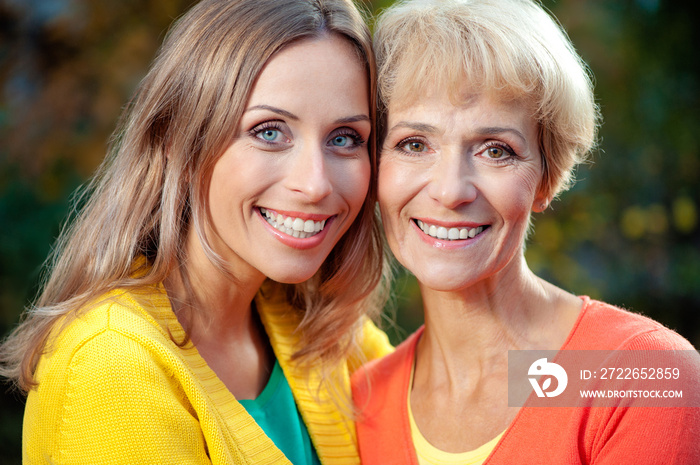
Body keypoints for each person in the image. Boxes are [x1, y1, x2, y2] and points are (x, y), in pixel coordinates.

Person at [0, 0, 393, 463]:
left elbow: (481, 397)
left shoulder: (311, 325)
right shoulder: (110, 364)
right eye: (269, 132)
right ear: (176, 140)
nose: (314, 184)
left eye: (345, 138)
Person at [352, 0, 700, 464]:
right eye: (414, 144)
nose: (451, 190)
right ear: (375, 171)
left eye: (496, 150)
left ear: (547, 177)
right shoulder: (361, 402)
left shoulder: (639, 375)